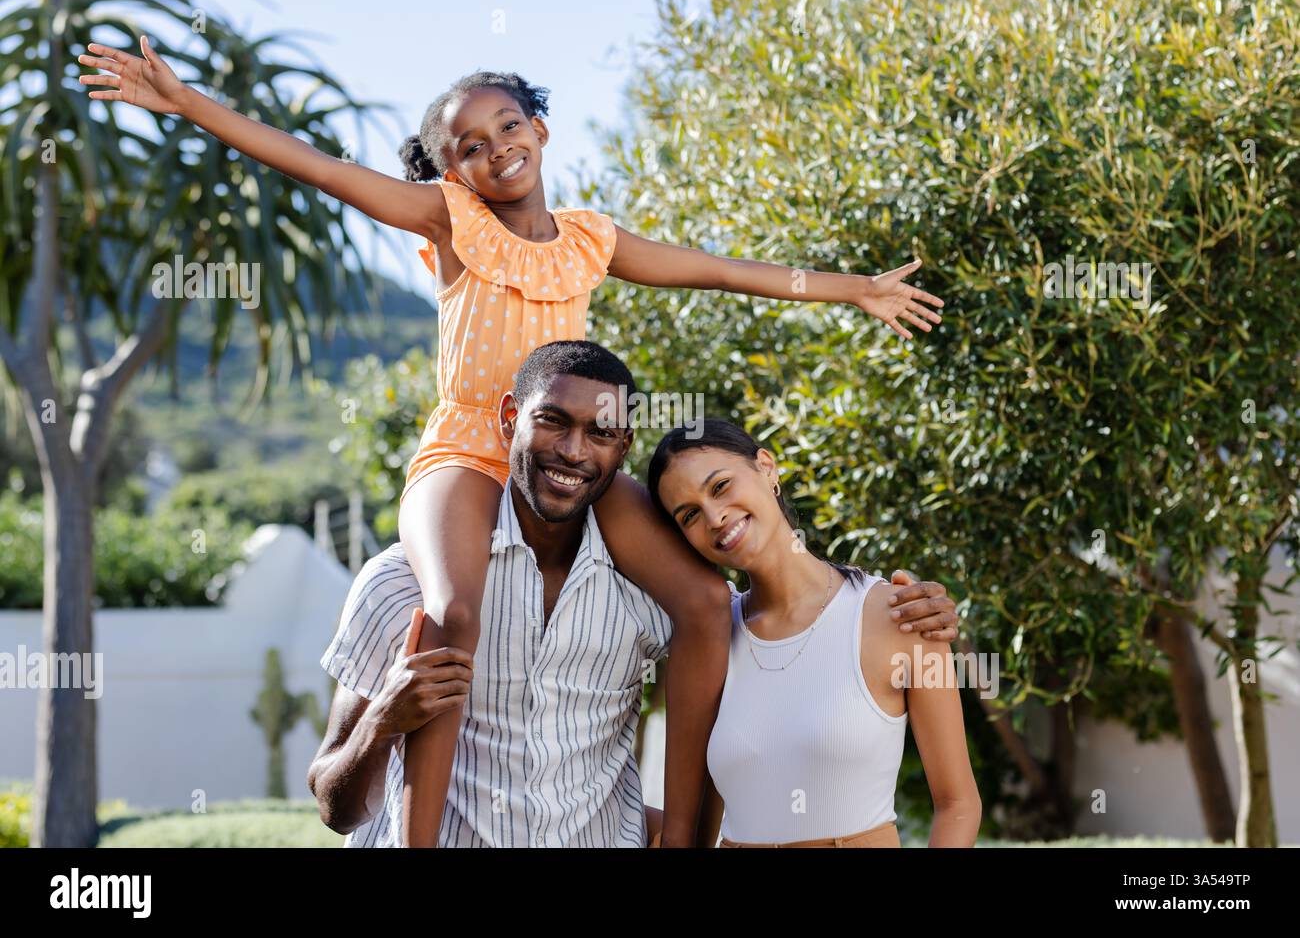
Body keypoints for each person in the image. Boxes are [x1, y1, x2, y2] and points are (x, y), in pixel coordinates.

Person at [79, 43, 948, 846]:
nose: (492, 148)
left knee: (698, 596)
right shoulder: (451, 219)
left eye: (506, 126)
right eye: (466, 144)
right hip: (469, 447)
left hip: (564, 452)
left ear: (539, 128)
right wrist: (187, 103)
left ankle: (682, 840)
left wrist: (854, 289)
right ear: (448, 167)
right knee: (458, 612)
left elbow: (723, 269)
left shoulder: (591, 239)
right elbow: (321, 168)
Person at [307, 340, 962, 846]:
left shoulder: (655, 603)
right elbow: (334, 805)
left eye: (599, 433)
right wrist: (383, 719)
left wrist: (914, 609)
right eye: (552, 422)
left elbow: (800, 635)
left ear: (621, 447)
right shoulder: (401, 584)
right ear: (511, 418)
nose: (572, 449)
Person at [649, 419, 981, 847]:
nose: (714, 518)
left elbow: (958, 804)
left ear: (767, 468)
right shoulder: (707, 639)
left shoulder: (900, 615)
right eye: (689, 514)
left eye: (720, 486)